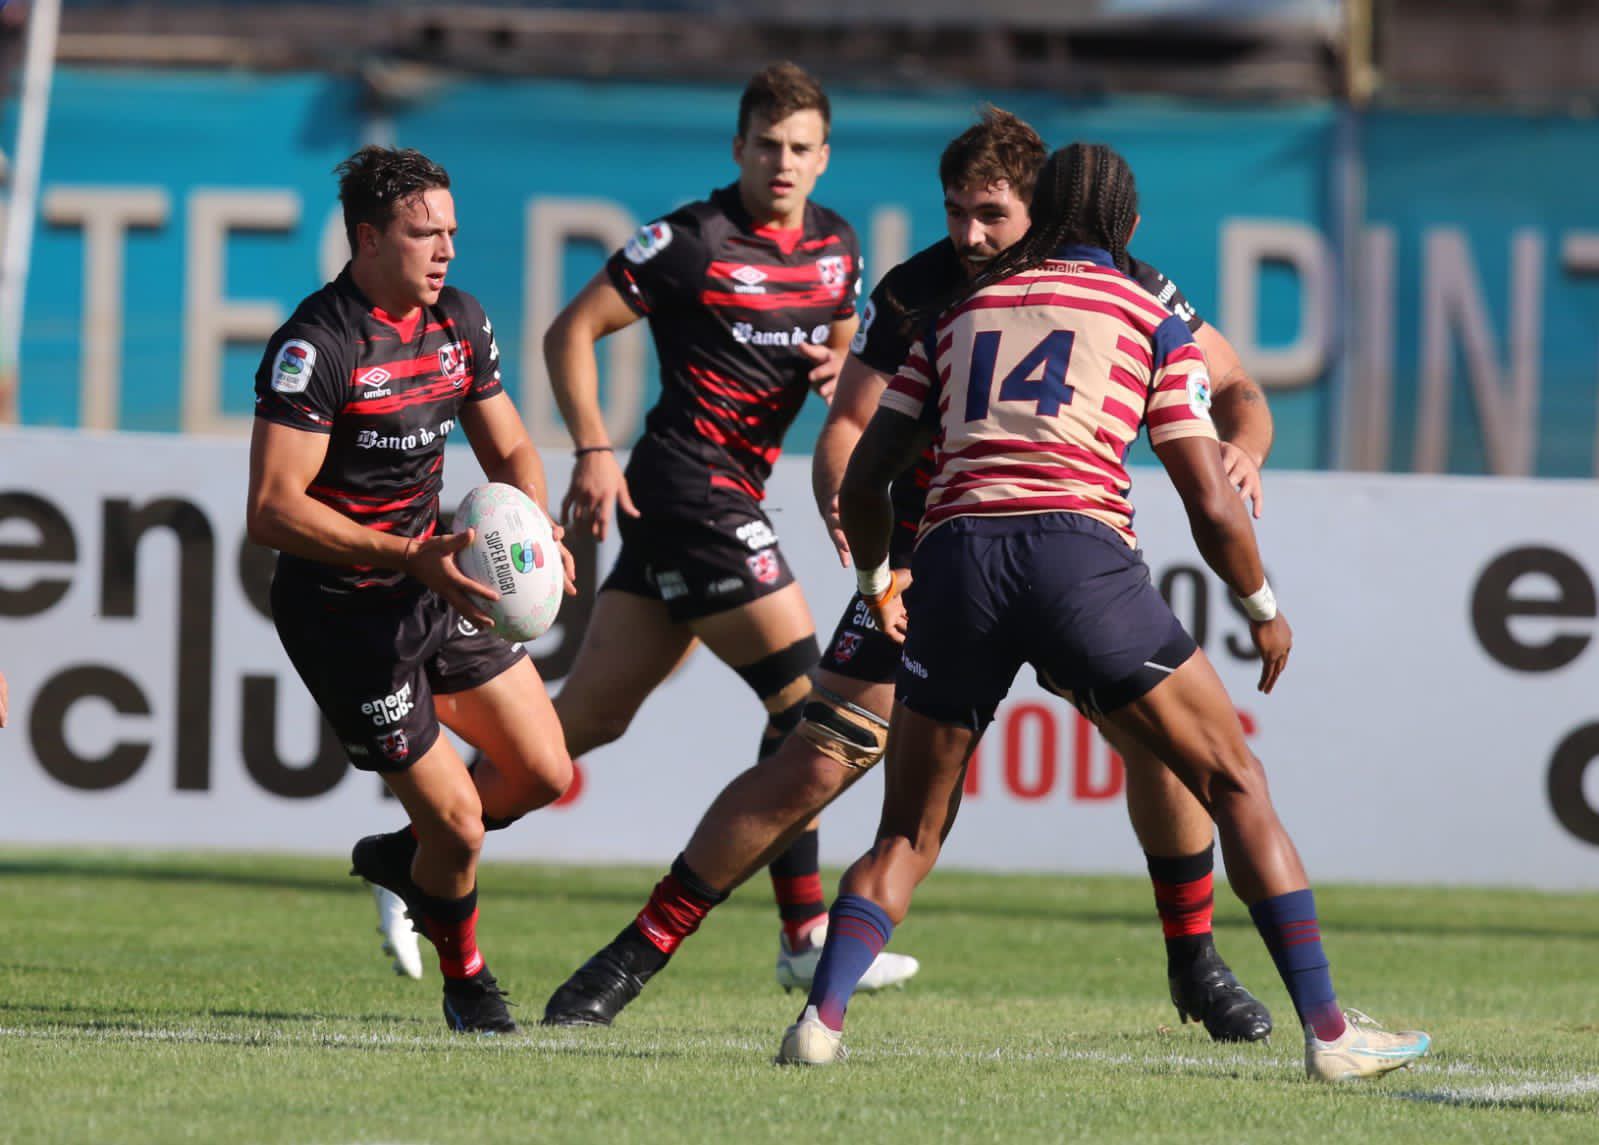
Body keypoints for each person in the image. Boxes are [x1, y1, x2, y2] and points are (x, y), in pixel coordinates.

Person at [542, 110, 1271, 1042]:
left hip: (1066, 562)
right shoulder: (917, 289)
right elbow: (844, 433)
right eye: (955, 211)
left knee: (1161, 752)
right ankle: (633, 954)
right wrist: (871, 566)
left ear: (1038, 209)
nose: (966, 234)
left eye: (991, 215)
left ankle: (1196, 964)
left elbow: (1239, 385)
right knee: (814, 756)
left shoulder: (1120, 280)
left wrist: (1241, 446)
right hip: (933, 571)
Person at [775, 142, 1431, 1083]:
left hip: (954, 563)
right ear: (1126, 227)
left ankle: (821, 1017)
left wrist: (881, 579)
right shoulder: (1144, 311)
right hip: (1075, 557)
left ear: (1039, 218)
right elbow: (1207, 496)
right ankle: (1329, 1031)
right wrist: (1261, 607)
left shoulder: (956, 310)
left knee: (906, 836)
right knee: (1234, 778)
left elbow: (871, 471)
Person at [528, 61, 916, 1011]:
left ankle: (424, 840)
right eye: (765, 145)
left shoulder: (837, 247)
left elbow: (830, 340)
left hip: (725, 496)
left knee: (580, 723)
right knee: (810, 703)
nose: (781, 163)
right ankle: (801, 931)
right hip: (685, 486)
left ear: (823, 159)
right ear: (736, 148)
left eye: (799, 149)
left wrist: (836, 365)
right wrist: (590, 444)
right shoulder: (691, 241)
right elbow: (568, 331)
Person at [247, 145, 576, 1034]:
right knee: (462, 825)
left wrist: (537, 531)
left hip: (437, 581)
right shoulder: (316, 346)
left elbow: (510, 452)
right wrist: (408, 555)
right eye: (423, 234)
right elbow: (272, 511)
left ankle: (405, 857)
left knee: (544, 772)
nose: (445, 252)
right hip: (346, 614)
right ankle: (467, 982)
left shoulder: (459, 321)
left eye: (451, 233)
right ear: (366, 239)